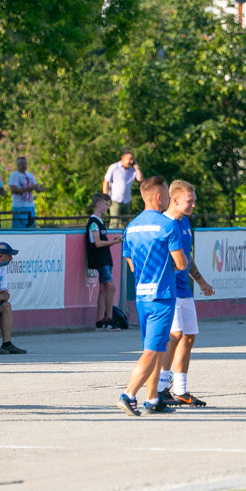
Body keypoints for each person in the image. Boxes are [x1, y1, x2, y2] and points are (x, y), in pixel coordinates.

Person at [116, 176, 187, 416]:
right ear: (158, 197)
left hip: (142, 296)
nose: (168, 198)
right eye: (166, 194)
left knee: (156, 346)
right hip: (162, 295)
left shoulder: (131, 226)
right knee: (152, 351)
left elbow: (132, 265)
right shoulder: (167, 225)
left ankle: (153, 398)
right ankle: (128, 394)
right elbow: (180, 262)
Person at [157, 180, 215, 407]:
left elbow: (187, 258)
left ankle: (180, 390)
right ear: (174, 200)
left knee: (189, 337)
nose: (193, 205)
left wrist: (201, 281)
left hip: (184, 290)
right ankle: (161, 387)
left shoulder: (185, 224)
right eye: (189, 201)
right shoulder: (162, 223)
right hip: (168, 289)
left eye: (194, 200)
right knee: (175, 335)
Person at [86, 193, 124, 331]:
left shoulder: (100, 222)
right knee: (111, 287)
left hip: (105, 258)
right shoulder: (93, 222)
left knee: (103, 289)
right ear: (98, 204)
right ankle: (109, 319)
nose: (108, 207)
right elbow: (97, 242)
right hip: (100, 260)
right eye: (106, 204)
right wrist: (114, 241)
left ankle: (99, 321)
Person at [103, 150, 143, 229]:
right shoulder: (114, 167)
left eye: (132, 159)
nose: (131, 161)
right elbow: (106, 182)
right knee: (114, 223)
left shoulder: (132, 170)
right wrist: (105, 197)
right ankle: (112, 239)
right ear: (123, 159)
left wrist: (136, 167)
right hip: (115, 200)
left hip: (126, 200)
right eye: (129, 159)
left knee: (125, 224)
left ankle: (123, 239)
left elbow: (140, 179)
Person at [8, 157, 45, 229]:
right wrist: (29, 188)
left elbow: (35, 188)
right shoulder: (14, 175)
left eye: (25, 163)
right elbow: (14, 190)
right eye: (21, 164)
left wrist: (40, 189)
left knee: (31, 227)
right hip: (19, 207)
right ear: (17, 165)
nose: (24, 165)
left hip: (30, 206)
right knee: (19, 229)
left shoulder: (30, 175)